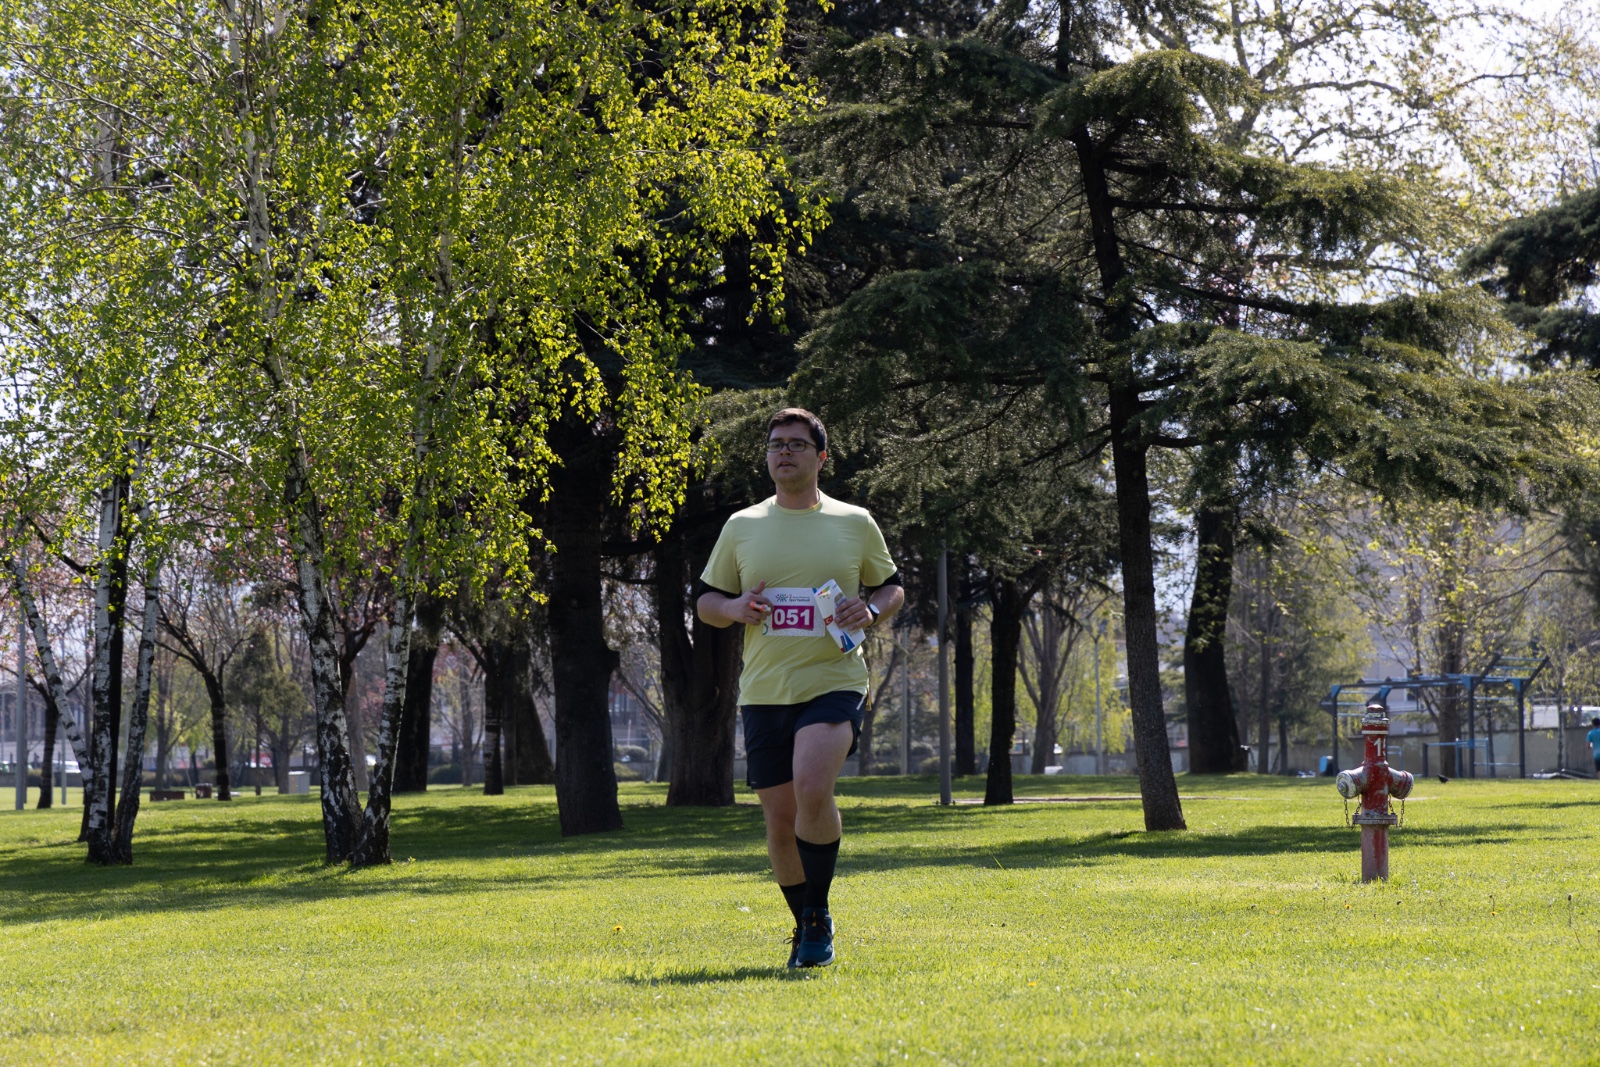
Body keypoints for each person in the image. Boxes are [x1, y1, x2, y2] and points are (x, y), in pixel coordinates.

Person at [696, 408, 904, 968]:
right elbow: (707, 602)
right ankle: (806, 920)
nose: (783, 452)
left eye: (795, 444)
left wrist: (871, 610)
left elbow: (891, 587)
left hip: (834, 680)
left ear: (821, 457)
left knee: (813, 787)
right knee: (780, 819)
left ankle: (815, 917)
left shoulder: (854, 521)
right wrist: (735, 608)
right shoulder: (742, 525)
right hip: (765, 689)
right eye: (775, 445)